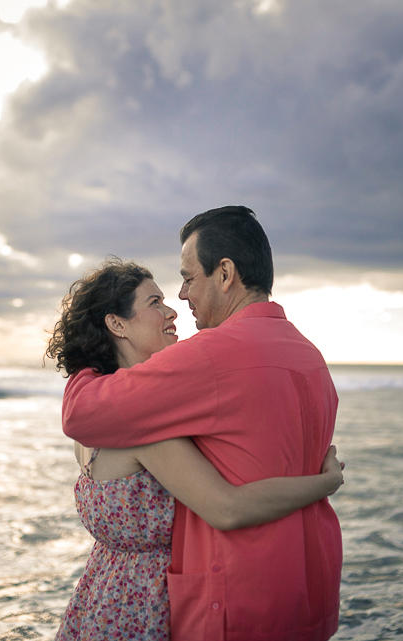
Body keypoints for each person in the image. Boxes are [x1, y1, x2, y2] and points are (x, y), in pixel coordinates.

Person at [63, 206, 342, 641]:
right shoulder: (312, 358)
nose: (182, 296)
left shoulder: (210, 356)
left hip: (235, 599)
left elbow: (81, 415)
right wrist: (324, 483)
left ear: (225, 273)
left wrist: (83, 370)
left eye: (189, 278)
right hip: (309, 588)